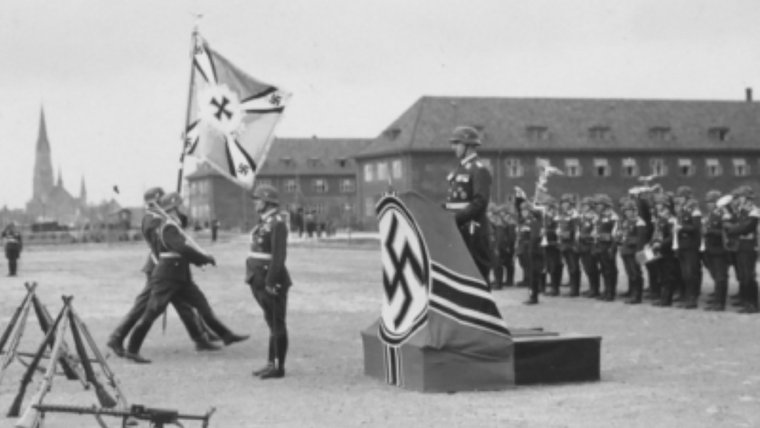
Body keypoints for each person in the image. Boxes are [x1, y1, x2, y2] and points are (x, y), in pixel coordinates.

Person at [124, 192, 248, 363]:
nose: (184, 207)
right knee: (152, 312)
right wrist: (203, 258)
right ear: (174, 208)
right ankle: (132, 349)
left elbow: (183, 229)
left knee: (202, 305)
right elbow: (182, 249)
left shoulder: (174, 224)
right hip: (166, 276)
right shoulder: (167, 227)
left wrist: (200, 260)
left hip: (180, 276)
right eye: (180, 205)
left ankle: (226, 335)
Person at [107, 187, 221, 358]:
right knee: (145, 307)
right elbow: (165, 242)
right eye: (161, 201)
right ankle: (117, 338)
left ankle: (200, 337)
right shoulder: (152, 220)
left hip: (171, 269)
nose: (164, 204)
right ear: (154, 202)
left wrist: (176, 214)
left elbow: (182, 224)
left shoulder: (161, 218)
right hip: (160, 268)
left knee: (183, 306)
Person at [246, 184, 292, 379]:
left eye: (258, 200)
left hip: (270, 280)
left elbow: (278, 256)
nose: (255, 203)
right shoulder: (264, 222)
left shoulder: (277, 223)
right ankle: (270, 363)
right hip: (258, 278)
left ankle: (277, 366)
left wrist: (272, 283)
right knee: (271, 322)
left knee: (276, 323)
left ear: (266, 202)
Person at [443, 125, 492, 281]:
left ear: (469, 146)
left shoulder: (479, 170)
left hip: (473, 232)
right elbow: (454, 202)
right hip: (459, 231)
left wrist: (455, 219)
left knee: (476, 278)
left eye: (457, 143)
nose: (453, 147)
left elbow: (480, 201)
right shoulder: (459, 169)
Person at [723, 185, 759, 314]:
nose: (738, 199)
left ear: (747, 198)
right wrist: (731, 226)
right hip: (740, 246)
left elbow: (745, 228)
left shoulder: (753, 211)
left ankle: (752, 304)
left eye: (740, 197)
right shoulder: (740, 211)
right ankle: (745, 302)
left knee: (748, 276)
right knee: (743, 276)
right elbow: (729, 224)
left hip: (748, 246)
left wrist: (731, 228)